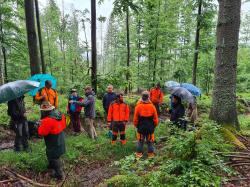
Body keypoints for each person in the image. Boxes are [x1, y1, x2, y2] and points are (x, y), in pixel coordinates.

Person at [38, 102, 66, 180]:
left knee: (53, 157)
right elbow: (64, 125)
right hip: (60, 136)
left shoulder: (47, 120)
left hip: (52, 140)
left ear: (44, 111)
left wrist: (40, 125)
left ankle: (59, 175)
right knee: (57, 154)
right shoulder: (60, 115)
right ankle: (52, 167)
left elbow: (42, 132)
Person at [134, 91, 158, 158]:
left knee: (140, 141)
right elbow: (156, 119)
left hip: (141, 127)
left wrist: (137, 126)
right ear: (148, 97)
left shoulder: (138, 107)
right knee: (150, 141)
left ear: (142, 97)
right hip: (150, 127)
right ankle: (150, 155)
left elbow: (135, 119)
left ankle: (139, 155)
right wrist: (154, 126)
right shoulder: (152, 106)